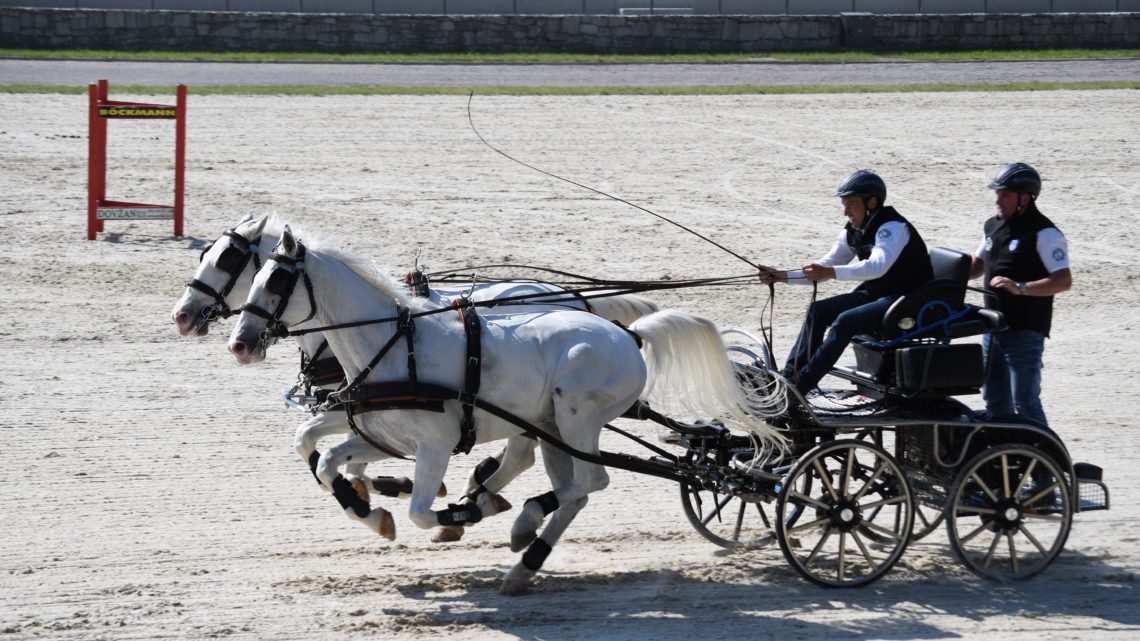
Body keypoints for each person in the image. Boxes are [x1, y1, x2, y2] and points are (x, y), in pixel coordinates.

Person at [759, 170, 933, 396]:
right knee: (817, 311)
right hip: (880, 294)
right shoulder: (855, 229)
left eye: (851, 204)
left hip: (907, 299)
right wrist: (781, 276)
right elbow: (827, 265)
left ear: (872, 202)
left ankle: (800, 387)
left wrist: (829, 272)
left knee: (846, 321)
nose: (845, 212)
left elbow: (876, 266)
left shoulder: (892, 227)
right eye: (844, 205)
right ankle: (790, 376)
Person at [969, 162, 1071, 427]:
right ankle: (1007, 459)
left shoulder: (1044, 233)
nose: (997, 200)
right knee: (994, 399)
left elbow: (1063, 280)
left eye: (1004, 195)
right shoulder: (993, 226)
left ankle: (1046, 464)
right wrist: (942, 274)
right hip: (993, 326)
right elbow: (977, 265)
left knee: (1024, 400)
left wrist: (1021, 288)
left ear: (1024, 198)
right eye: (997, 194)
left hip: (1025, 330)